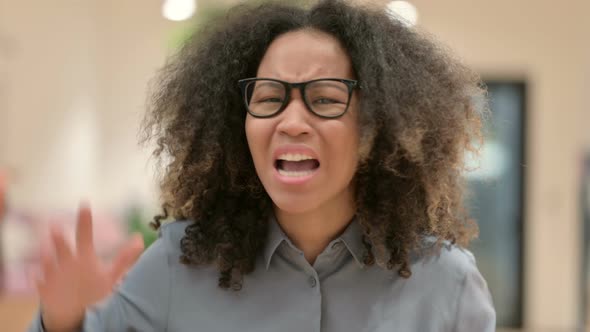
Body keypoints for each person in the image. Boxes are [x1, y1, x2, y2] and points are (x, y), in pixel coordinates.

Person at [28, 0, 495, 331]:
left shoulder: (446, 284)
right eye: (269, 98)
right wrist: (62, 322)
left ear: (379, 126)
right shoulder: (176, 265)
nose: (291, 122)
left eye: (326, 99)